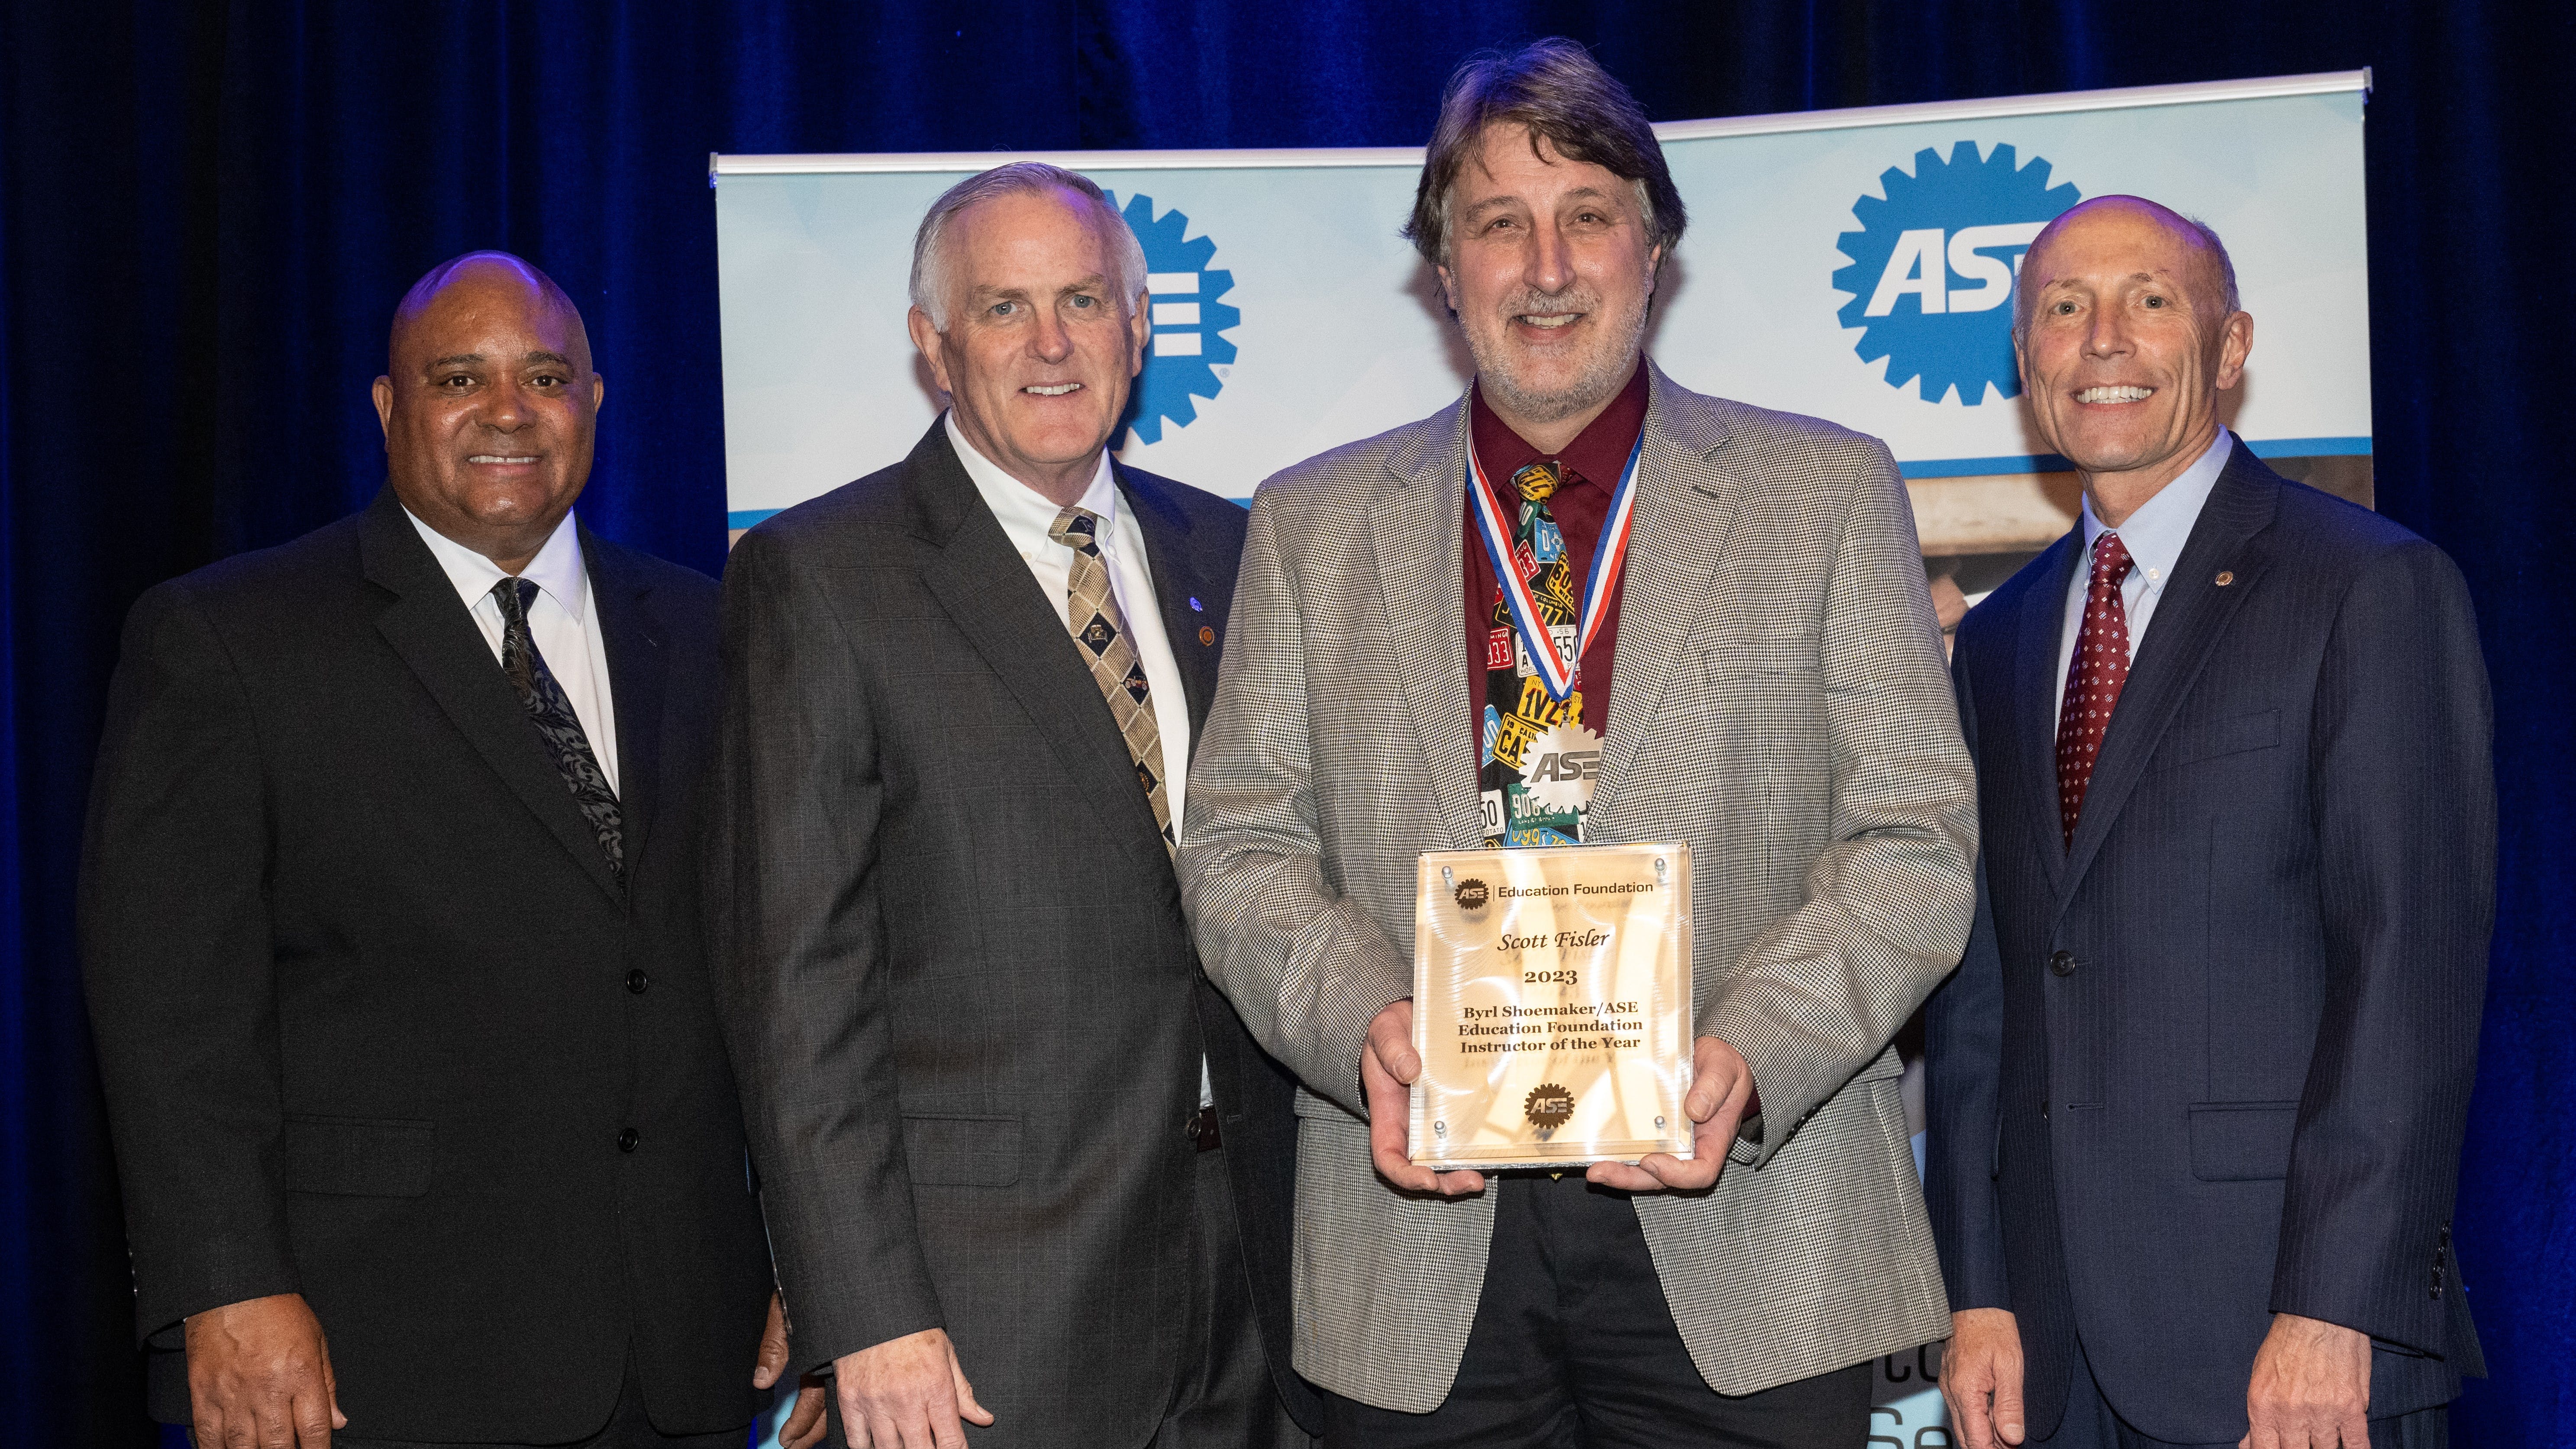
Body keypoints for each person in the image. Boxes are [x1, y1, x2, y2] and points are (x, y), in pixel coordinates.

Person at [1176, 39, 1976, 1447]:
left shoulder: (1826, 490)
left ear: (1651, 249)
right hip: (1420, 1239)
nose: (1546, 265)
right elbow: (1240, 845)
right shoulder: (1309, 522)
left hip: (1746, 1218)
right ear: (1445, 272)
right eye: (1498, 223)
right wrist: (1368, 1019)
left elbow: (1916, 837)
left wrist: (1753, 1044)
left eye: (1588, 216)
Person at [80, 253, 820, 1449]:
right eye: (459, 378)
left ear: (595, 401)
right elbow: (171, 1009)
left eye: (545, 375)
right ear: (389, 407)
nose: (509, 410)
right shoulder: (231, 642)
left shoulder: (714, 628)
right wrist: (226, 1284)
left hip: (686, 1347)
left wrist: (814, 1262)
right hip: (372, 1358)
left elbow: (781, 976)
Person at [708, 162, 1318, 1449]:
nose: (1051, 344)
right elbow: (794, 986)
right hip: (989, 1306)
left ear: (1138, 330)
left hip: (1259, 1275)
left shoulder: (1239, 548)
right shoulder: (819, 580)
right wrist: (863, 1307)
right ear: (933, 348)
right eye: (1003, 309)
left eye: (1084, 300)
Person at [1925, 196, 2492, 1449]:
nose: (2104, 339)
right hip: (2051, 1350)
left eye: (2150, 301)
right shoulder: (2004, 641)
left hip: (2285, 1348)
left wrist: (2335, 1303)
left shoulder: (2369, 589)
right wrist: (1976, 1286)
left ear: (2231, 350)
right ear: (2029, 369)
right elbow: (1981, 999)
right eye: (2064, 310)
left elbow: (2410, 972)